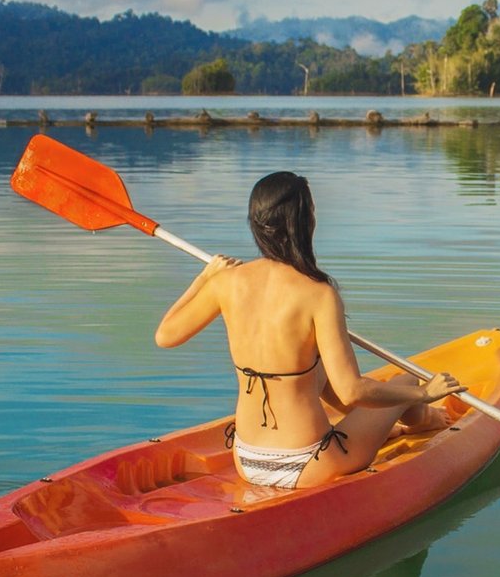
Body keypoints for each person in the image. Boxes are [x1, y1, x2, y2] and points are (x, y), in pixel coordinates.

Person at [155, 171, 462, 489]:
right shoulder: (319, 294)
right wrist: (425, 393)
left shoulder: (225, 283)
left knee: (315, 370)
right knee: (407, 379)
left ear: (256, 222)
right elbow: (351, 391)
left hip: (246, 458)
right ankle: (425, 421)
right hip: (309, 462)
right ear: (306, 222)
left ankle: (388, 426)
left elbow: (165, 336)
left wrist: (203, 279)